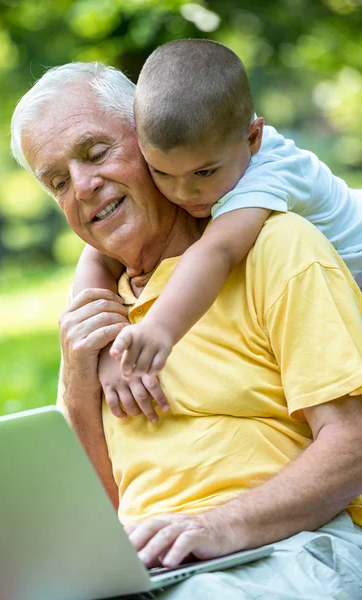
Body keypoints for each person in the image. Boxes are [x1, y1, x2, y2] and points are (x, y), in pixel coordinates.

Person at [10, 60, 362, 599]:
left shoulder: (274, 244)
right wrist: (78, 372)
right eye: (58, 181)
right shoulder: (96, 311)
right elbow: (95, 513)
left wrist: (216, 526)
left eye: (95, 152)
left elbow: (355, 444)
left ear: (146, 135)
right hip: (148, 565)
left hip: (286, 546)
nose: (82, 186)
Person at [72, 39, 362, 402]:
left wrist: (159, 328)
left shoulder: (268, 175)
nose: (183, 193)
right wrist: (106, 344)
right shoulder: (205, 167)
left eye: (204, 173)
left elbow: (217, 252)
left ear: (253, 137)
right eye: (161, 173)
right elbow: (96, 254)